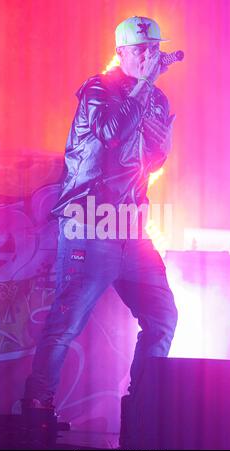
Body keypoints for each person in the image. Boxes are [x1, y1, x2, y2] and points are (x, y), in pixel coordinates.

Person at [23, 16, 178, 412]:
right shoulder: (98, 88)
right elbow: (111, 133)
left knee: (162, 318)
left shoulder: (158, 99)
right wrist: (144, 86)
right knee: (65, 326)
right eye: (141, 49)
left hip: (132, 229)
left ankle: (142, 409)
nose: (149, 56)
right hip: (90, 224)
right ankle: (36, 411)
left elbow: (152, 159)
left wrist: (163, 147)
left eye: (154, 48)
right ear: (122, 53)